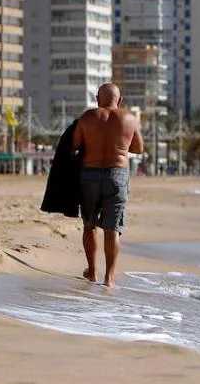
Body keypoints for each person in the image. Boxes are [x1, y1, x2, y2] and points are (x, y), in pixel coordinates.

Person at [72, 83, 143, 288]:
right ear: (120, 100)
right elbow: (138, 148)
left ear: (97, 98)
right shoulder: (129, 118)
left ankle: (92, 271)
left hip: (89, 174)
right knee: (112, 228)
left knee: (89, 224)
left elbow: (75, 144)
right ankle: (109, 278)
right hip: (117, 174)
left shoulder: (88, 117)